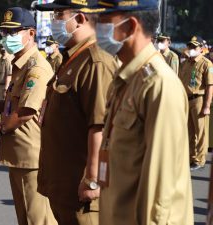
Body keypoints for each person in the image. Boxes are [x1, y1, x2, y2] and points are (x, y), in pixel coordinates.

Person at [82, 0, 194, 224]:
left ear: (131, 26)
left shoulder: (159, 85)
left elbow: (162, 189)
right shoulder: (129, 78)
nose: (97, 28)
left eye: (103, 21)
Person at [0, 7, 57, 225]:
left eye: (13, 32)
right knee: (25, 218)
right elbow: (13, 104)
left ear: (31, 34)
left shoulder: (36, 68)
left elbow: (25, 112)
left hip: (31, 157)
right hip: (18, 154)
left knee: (38, 220)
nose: (7, 37)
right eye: (5, 32)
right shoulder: (21, 64)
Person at [35, 0, 117, 224]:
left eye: (59, 14)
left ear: (80, 18)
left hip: (82, 193)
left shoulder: (96, 62)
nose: (53, 21)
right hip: (64, 186)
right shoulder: (73, 58)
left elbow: (100, 126)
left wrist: (93, 179)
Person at [179, 36, 213, 171]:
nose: (192, 50)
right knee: (190, 131)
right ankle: (191, 157)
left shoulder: (206, 64)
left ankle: (199, 159)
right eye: (190, 47)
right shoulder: (186, 63)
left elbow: (210, 86)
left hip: (199, 99)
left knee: (200, 132)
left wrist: (206, 106)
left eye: (194, 47)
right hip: (186, 100)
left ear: (200, 49)